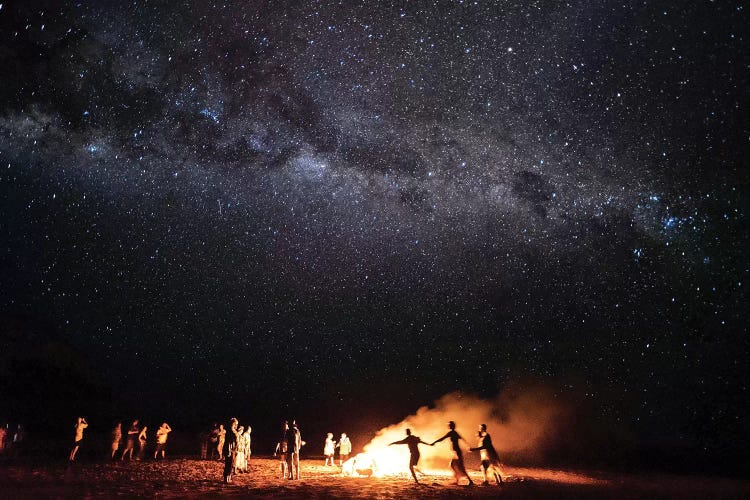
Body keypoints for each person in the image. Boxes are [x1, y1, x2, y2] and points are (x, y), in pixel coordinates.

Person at [431, 421, 474, 486]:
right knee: (452, 465)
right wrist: (467, 444)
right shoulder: (454, 432)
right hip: (455, 452)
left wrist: (434, 442)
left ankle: (470, 481)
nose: (448, 426)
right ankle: (457, 480)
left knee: (460, 466)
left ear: (452, 426)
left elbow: (442, 438)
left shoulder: (452, 432)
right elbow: (462, 439)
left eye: (449, 425)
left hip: (456, 452)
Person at [222, 418, 239, 484]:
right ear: (233, 423)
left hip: (232, 449)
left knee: (231, 464)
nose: (237, 425)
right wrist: (229, 450)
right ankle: (226, 478)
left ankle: (228, 477)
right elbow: (229, 442)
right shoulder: (230, 431)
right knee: (228, 464)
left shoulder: (233, 430)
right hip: (230, 449)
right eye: (236, 424)